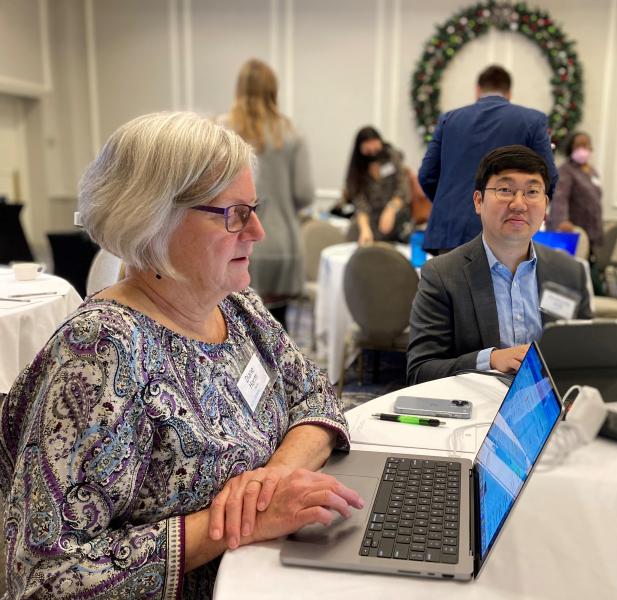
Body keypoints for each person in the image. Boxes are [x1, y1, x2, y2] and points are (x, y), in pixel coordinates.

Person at [0, 112, 363, 599]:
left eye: (254, 208)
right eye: (235, 213)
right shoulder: (97, 358)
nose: (257, 231)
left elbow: (316, 396)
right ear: (153, 218)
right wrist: (230, 522)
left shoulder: (237, 308)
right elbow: (45, 578)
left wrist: (269, 483)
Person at [407, 146, 591, 385]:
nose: (519, 204)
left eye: (532, 192)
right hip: (477, 409)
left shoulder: (570, 272)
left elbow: (588, 356)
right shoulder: (443, 275)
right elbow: (420, 371)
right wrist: (491, 360)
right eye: (505, 190)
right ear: (478, 201)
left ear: (545, 206)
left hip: (552, 408)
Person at [418, 65, 558, 254]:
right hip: (505, 232)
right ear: (509, 93)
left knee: (448, 282)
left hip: (449, 231)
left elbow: (427, 175)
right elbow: (549, 177)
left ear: (477, 90)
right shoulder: (532, 121)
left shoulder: (448, 119)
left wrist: (449, 204)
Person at [221, 58, 313, 329]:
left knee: (234, 328)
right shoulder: (291, 134)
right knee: (278, 332)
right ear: (273, 90)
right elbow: (304, 194)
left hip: (234, 243)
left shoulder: (221, 131)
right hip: (282, 246)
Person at [343, 126, 411, 245]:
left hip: (397, 221)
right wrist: (365, 229)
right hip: (370, 224)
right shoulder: (357, 170)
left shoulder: (391, 156)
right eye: (368, 151)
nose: (373, 153)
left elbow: (403, 188)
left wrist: (391, 208)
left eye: (375, 148)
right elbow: (360, 203)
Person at [548, 131, 603, 250]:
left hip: (593, 231)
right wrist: (562, 221)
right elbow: (559, 198)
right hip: (573, 230)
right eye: (579, 145)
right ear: (571, 148)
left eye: (586, 145)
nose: (583, 149)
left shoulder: (592, 171)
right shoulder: (565, 170)